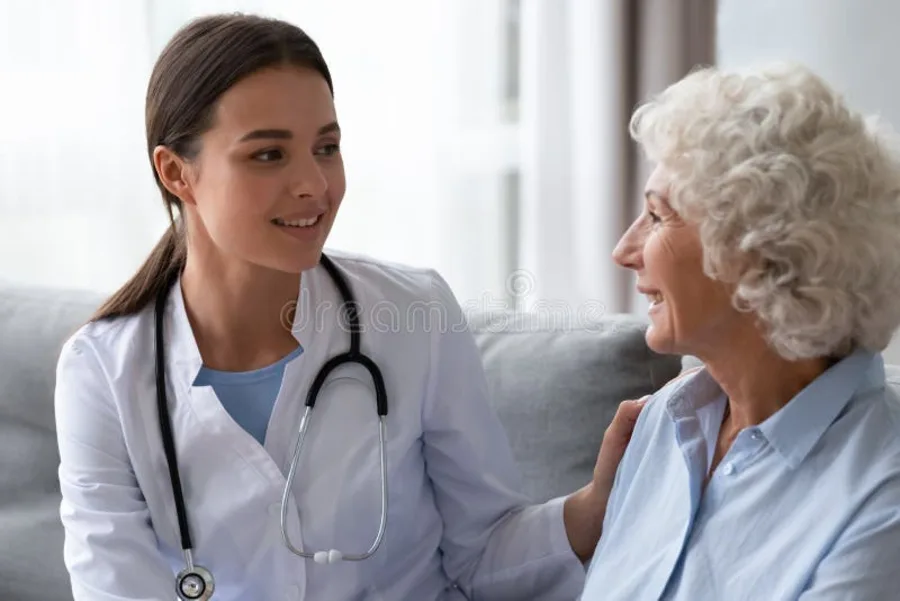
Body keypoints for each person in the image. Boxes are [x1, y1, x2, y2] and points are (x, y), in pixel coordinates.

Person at [53, 13, 643, 601]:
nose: (314, 184)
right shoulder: (101, 371)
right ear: (177, 173)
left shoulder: (416, 314)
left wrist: (595, 507)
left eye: (326, 148)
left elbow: (483, 551)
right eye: (268, 155)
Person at [581, 62, 900, 600]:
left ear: (757, 250)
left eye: (657, 217)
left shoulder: (881, 492)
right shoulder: (665, 421)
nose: (624, 250)